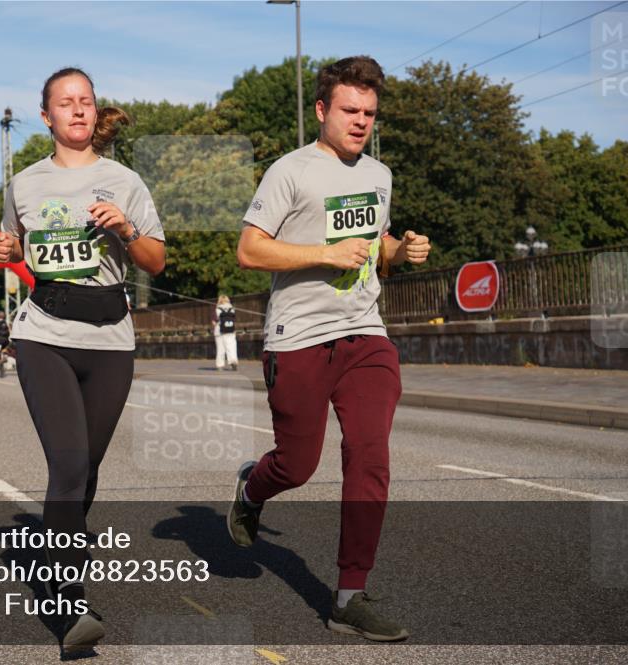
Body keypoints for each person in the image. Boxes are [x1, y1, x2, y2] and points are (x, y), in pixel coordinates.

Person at [228, 56, 431, 642]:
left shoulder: (380, 175)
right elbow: (250, 249)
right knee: (297, 465)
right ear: (322, 110)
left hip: (365, 334)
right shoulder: (289, 172)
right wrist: (323, 253)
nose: (361, 121)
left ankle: (348, 596)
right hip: (299, 337)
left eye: (369, 112)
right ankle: (253, 488)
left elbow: (374, 247)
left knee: (370, 454)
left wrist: (399, 251)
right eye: (349, 110)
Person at [0, 66, 165, 653]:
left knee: (87, 467)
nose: (78, 109)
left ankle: (58, 549)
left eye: (86, 101)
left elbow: (156, 261)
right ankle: (68, 603)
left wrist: (126, 228)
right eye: (65, 102)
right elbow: (12, 247)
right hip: (44, 333)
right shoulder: (24, 184)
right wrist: (7, 249)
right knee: (67, 464)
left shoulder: (124, 181)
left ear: (95, 110)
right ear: (47, 117)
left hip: (111, 338)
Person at [212, 294, 238, 371]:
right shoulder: (232, 309)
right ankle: (233, 361)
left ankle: (220, 365)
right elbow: (234, 320)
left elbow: (214, 322)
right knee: (231, 347)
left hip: (219, 331)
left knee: (220, 348)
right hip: (231, 330)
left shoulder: (217, 309)